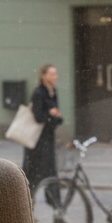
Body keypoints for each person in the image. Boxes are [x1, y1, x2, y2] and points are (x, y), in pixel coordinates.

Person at [23, 63, 65, 197]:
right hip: (37, 142)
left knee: (50, 173)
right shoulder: (39, 93)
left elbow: (58, 118)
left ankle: (56, 204)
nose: (55, 77)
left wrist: (57, 115)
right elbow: (38, 117)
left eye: (55, 74)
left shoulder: (52, 92)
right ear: (43, 76)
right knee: (33, 175)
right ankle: (26, 203)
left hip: (48, 139)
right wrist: (50, 114)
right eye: (51, 74)